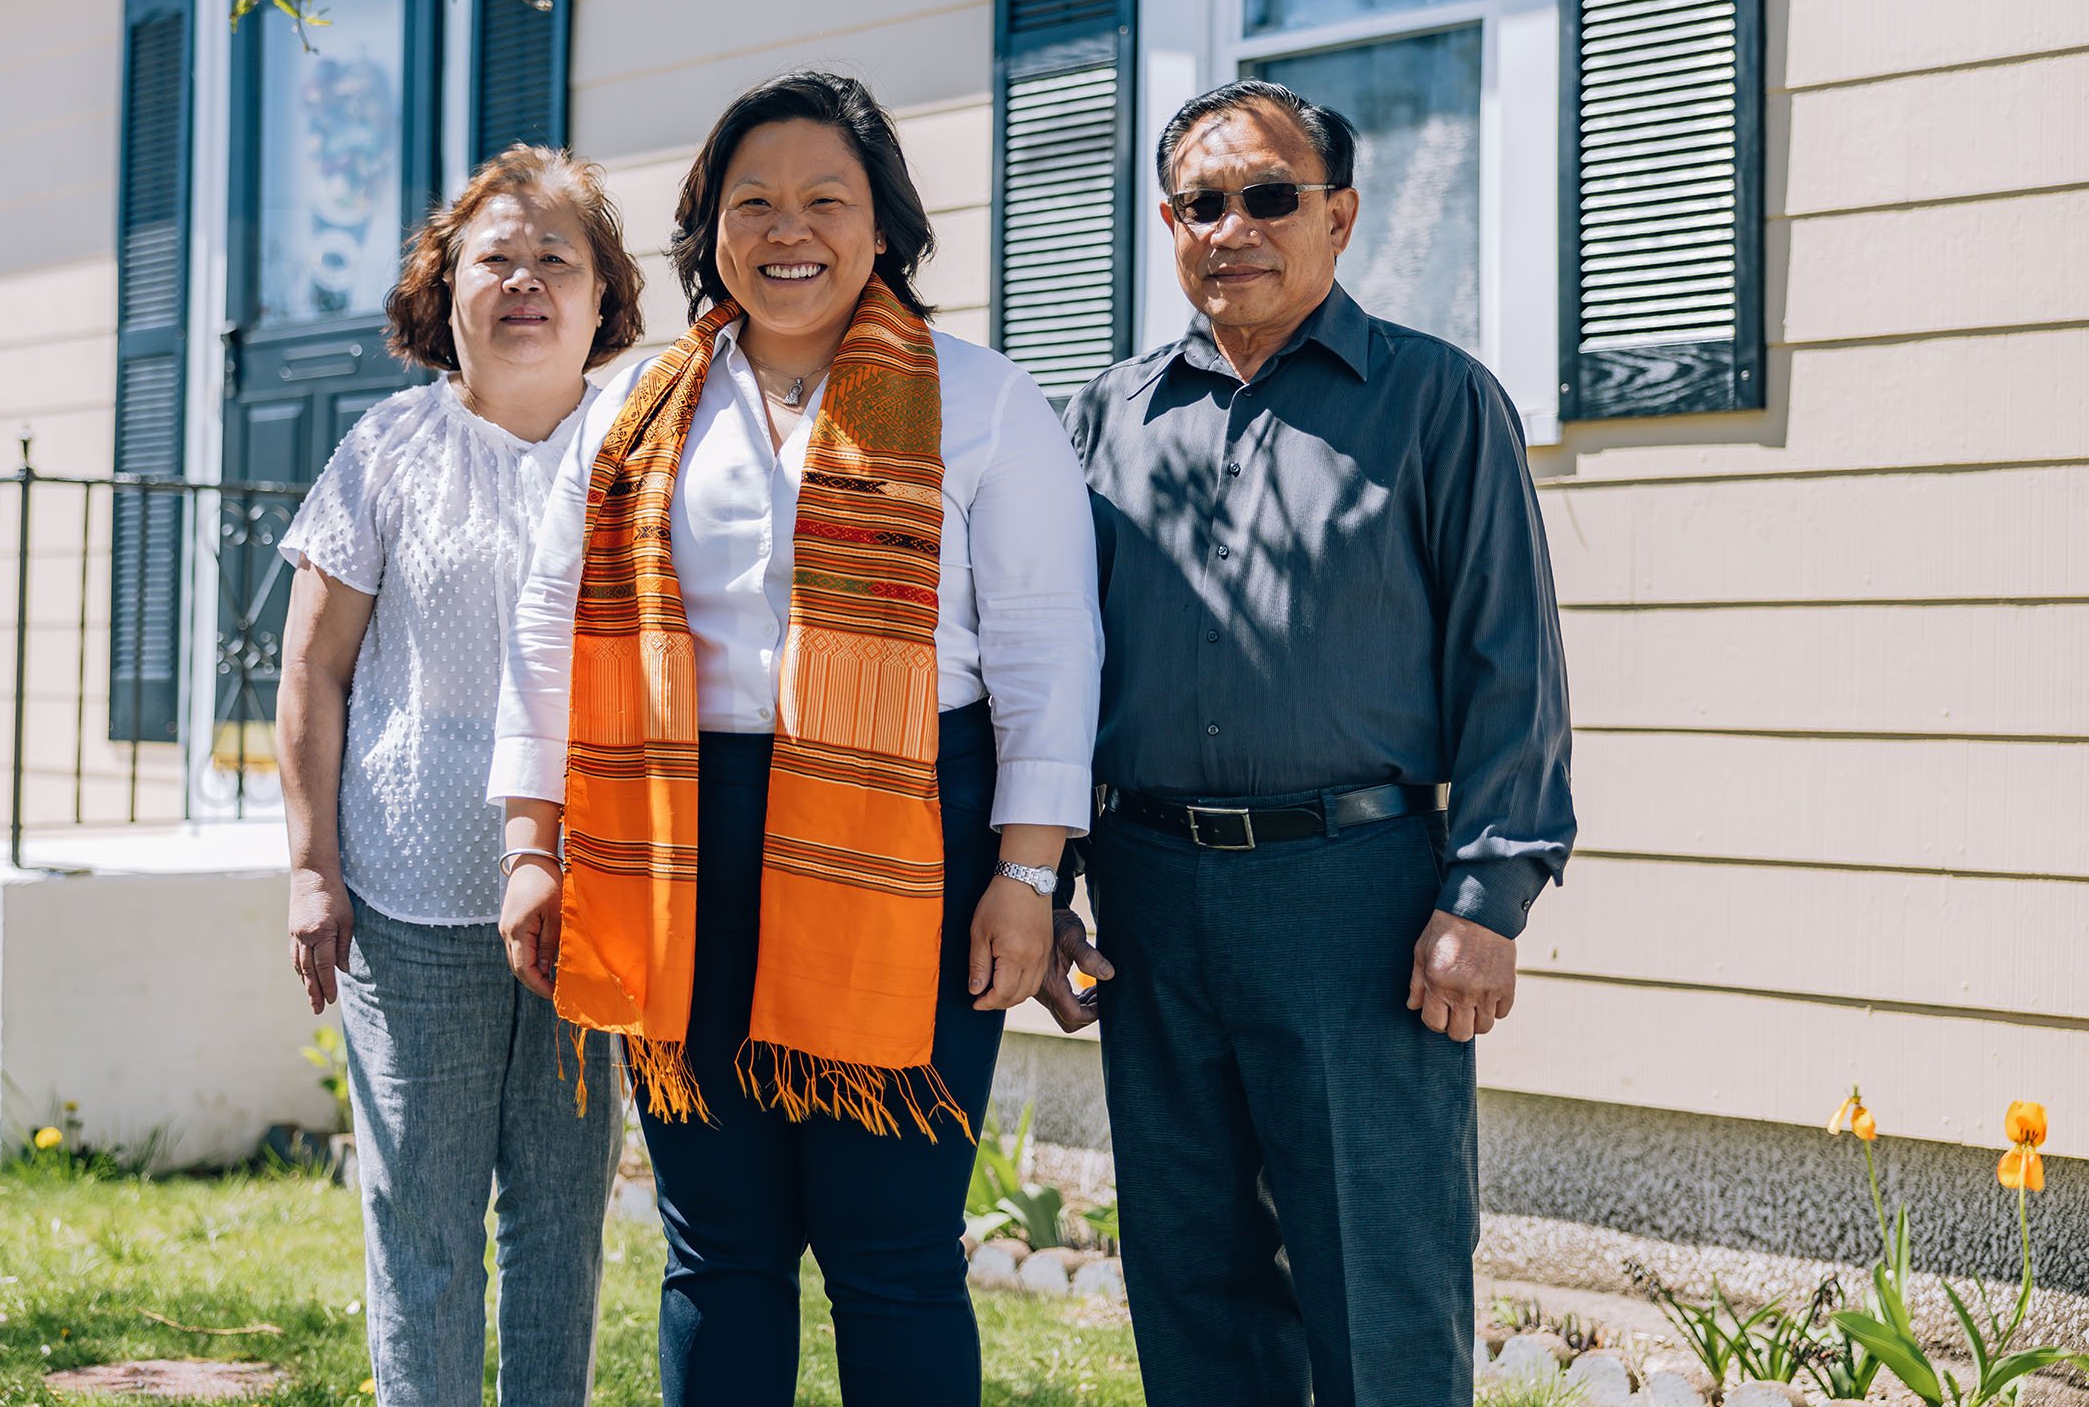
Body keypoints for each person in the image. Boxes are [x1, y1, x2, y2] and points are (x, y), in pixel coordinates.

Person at [490, 71, 1101, 1407]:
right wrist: (533, 847)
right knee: (719, 1249)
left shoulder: (986, 402)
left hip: (913, 842)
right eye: (751, 200)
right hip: (673, 843)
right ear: (708, 226)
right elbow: (547, 635)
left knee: (894, 1248)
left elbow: (1054, 653)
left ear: (883, 225)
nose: (789, 228)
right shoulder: (628, 410)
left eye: (827, 198)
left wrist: (1031, 871)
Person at [1042, 78, 1576, 1407]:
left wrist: (1487, 893)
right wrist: (1043, 885)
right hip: (1149, 898)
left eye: (1269, 195)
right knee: (1191, 1278)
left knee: (1379, 1287)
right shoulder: (1105, 421)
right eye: (1200, 203)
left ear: (1338, 215)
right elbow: (1047, 673)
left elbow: (1510, 662)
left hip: (1360, 903)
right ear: (1168, 225)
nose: (1234, 225)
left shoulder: (1438, 403)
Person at [275, 145, 645, 1407]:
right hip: (408, 900)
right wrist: (311, 872)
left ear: (606, 297)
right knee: (420, 1228)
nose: (527, 281)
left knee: (560, 1227)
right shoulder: (384, 452)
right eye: (498, 257)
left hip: (596, 897)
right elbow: (312, 673)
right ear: (446, 288)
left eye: (558, 259)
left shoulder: (643, 452)